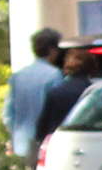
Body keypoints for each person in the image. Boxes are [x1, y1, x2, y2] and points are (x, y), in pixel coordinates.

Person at [4, 28, 63, 159]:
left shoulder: (18, 76)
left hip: (21, 144)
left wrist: (15, 135)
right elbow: (57, 111)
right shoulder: (54, 76)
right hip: (45, 144)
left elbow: (7, 115)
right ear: (53, 50)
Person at [34, 46, 93, 148]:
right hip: (85, 143)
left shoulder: (56, 92)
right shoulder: (93, 93)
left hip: (57, 144)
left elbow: (43, 127)